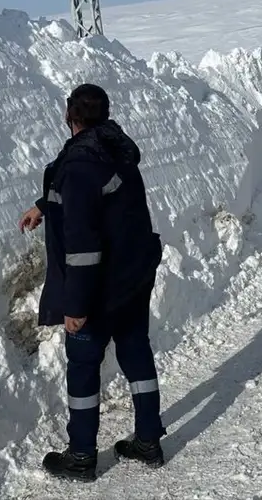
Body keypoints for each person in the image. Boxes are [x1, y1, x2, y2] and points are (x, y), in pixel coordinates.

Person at [18, 83, 166, 483]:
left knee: (83, 366)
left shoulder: (82, 164)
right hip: (133, 275)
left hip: (101, 285)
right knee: (136, 350)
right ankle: (148, 440)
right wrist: (45, 205)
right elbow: (96, 199)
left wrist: (76, 306)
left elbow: (82, 247)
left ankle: (82, 454)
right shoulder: (112, 150)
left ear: (70, 115)